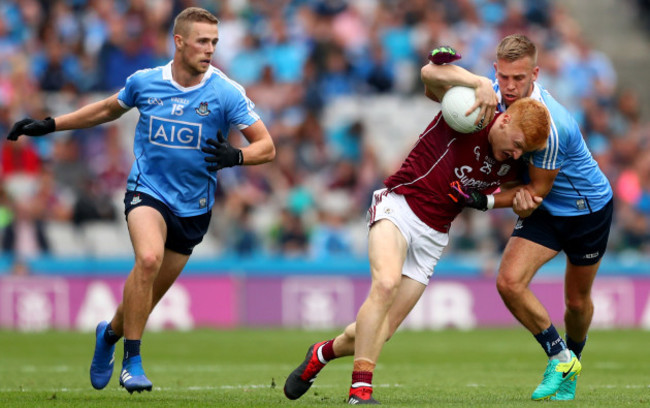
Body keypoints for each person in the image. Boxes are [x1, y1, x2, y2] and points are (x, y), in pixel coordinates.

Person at [6, 7, 275, 394]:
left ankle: (109, 335)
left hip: (194, 208)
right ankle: (133, 362)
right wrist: (50, 124)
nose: (210, 49)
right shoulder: (145, 82)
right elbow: (103, 110)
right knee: (147, 260)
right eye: (202, 41)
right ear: (179, 42)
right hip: (147, 190)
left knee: (143, 297)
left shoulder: (225, 92)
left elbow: (267, 146)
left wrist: (237, 156)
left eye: (214, 42)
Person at [283, 47, 551, 405]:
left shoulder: (514, 160)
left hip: (434, 235)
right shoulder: (474, 111)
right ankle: (360, 391)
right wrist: (477, 82)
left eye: (523, 151)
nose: (517, 155)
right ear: (503, 122)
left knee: (384, 329)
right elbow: (430, 76)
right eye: (516, 145)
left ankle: (320, 354)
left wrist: (499, 200)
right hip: (400, 205)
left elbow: (523, 190)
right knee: (386, 283)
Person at [422, 35, 613, 401]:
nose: (510, 87)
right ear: (496, 70)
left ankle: (573, 361)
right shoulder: (488, 93)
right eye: (504, 77)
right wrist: (441, 72)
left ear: (535, 74)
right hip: (544, 210)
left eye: (519, 79)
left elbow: (533, 193)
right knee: (509, 282)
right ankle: (561, 358)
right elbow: (434, 87)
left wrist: (484, 200)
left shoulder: (552, 126)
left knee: (576, 302)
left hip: (586, 210)